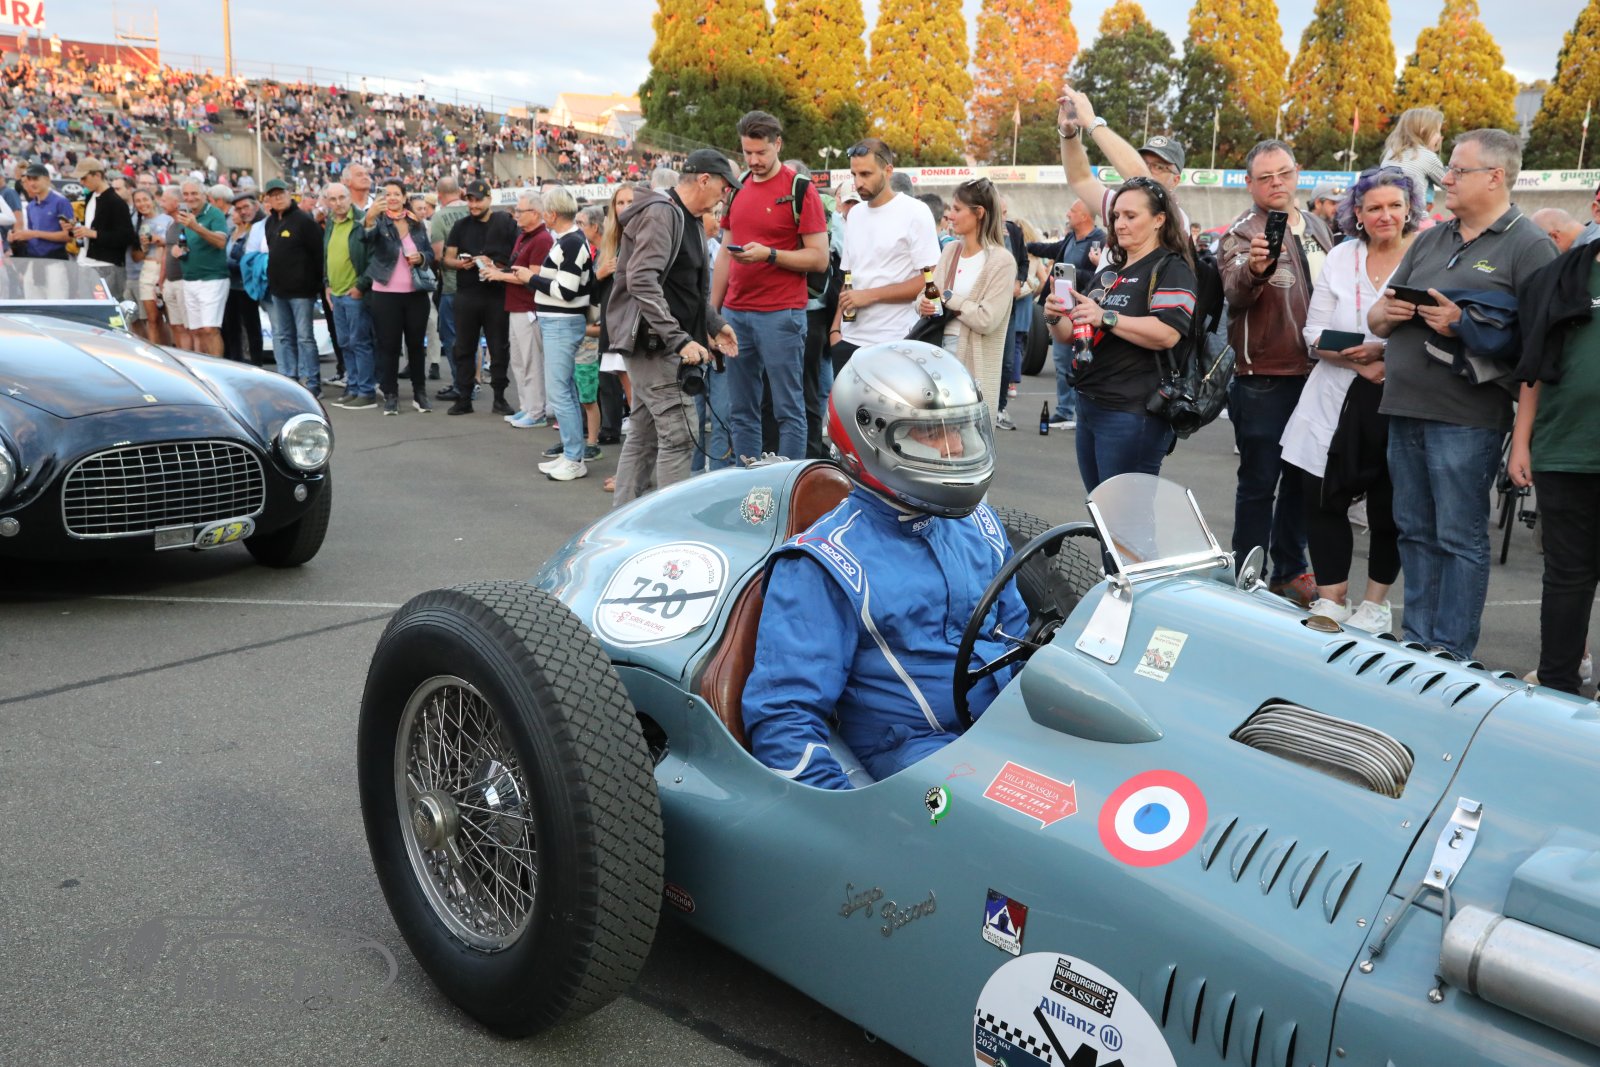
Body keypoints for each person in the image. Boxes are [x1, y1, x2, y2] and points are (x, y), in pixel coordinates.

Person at [741, 341, 1028, 789]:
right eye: (931, 435)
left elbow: (1018, 641)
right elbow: (785, 719)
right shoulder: (824, 565)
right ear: (871, 439)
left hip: (1005, 728)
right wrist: (845, 816)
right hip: (914, 758)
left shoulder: (981, 527)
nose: (955, 447)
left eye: (959, 429)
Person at [1369, 129, 1558, 659]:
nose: (1445, 178)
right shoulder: (1431, 239)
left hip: (1467, 419)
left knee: (1458, 538)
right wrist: (1389, 313)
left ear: (1495, 177)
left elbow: (1541, 350)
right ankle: (1416, 646)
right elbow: (1376, 318)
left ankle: (1450, 657)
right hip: (1405, 407)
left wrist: (1464, 325)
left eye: (1456, 169)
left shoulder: (1530, 246)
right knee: (1413, 532)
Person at [1281, 168, 1420, 635]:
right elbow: (1313, 332)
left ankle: (1375, 604)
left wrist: (1384, 355)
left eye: (1395, 206)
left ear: (1409, 210)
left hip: (1398, 399)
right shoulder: (1342, 256)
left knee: (1388, 507)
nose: (1385, 215)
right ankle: (1332, 597)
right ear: (1357, 213)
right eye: (1374, 207)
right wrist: (1361, 359)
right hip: (1333, 394)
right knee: (1322, 498)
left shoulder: (1423, 255)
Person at [1219, 140, 1335, 608]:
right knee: (1259, 484)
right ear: (1250, 184)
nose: (1276, 183)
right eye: (1265, 177)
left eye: (1283, 173)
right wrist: (1255, 269)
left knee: (1304, 482)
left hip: (1322, 373)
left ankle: (1290, 570)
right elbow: (1234, 292)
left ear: (1297, 172)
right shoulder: (1242, 234)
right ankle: (1246, 575)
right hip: (1264, 375)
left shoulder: (1320, 228)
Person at [1043, 178, 1197, 492]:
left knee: (1126, 515)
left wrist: (1105, 317)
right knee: (1101, 508)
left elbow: (1167, 333)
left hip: (1132, 412)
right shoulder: (1111, 271)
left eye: (1131, 215)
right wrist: (1053, 315)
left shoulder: (1172, 268)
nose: (1120, 224)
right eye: (1116, 216)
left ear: (1159, 219)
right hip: (1090, 402)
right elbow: (1070, 335)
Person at [608, 151, 740, 504]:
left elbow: (687, 288)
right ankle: (668, 526)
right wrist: (680, 340)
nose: (724, 196)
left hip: (662, 342)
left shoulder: (687, 217)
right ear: (705, 180)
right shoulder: (663, 213)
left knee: (644, 433)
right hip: (657, 345)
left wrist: (714, 324)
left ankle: (623, 519)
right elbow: (641, 281)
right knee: (679, 435)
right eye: (724, 187)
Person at [1509, 233, 1600, 693]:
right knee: (1567, 576)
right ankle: (1558, 684)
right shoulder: (1562, 277)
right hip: (1566, 447)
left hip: (1569, 447)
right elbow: (1536, 365)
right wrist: (1521, 442)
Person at [712, 111, 830, 465]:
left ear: (778, 144)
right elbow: (724, 253)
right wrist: (712, 315)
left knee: (787, 408)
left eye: (760, 152)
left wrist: (770, 255)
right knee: (741, 409)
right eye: (747, 152)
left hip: (781, 313)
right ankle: (747, 483)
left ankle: (787, 486)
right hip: (736, 313)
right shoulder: (738, 187)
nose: (753, 160)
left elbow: (819, 258)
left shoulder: (800, 189)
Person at [504, 185, 596, 481]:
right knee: (563, 390)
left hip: (562, 322)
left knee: (560, 392)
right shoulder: (568, 241)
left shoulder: (571, 243)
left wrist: (530, 278)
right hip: (559, 322)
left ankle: (574, 457)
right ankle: (572, 454)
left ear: (553, 213)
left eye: (545, 210)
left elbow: (566, 290)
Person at [828, 139, 942, 374]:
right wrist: (835, 330)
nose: (858, 183)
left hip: (896, 341)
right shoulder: (855, 215)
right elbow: (849, 278)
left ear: (888, 171)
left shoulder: (915, 212)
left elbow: (931, 279)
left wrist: (869, 296)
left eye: (866, 174)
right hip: (849, 341)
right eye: (854, 174)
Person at [915, 178, 1015, 420]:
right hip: (936, 354)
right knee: (934, 433)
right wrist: (923, 304)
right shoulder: (951, 251)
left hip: (972, 362)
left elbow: (986, 319)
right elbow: (927, 293)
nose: (950, 215)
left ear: (979, 213)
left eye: (957, 209)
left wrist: (949, 298)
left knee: (967, 434)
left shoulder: (1001, 261)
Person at [1056, 86, 1189, 234]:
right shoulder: (1122, 206)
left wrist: (1091, 121)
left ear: (1175, 180)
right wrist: (1068, 133)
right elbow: (1080, 180)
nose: (1148, 170)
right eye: (1144, 163)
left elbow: (1144, 182)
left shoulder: (1176, 218)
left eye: (1159, 167)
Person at [359, 179, 436, 415]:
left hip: (416, 294)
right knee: (388, 346)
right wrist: (370, 217)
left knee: (416, 345)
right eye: (387, 194)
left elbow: (430, 253)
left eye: (396, 194)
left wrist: (421, 257)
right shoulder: (377, 220)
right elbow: (364, 239)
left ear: (404, 198)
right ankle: (390, 394)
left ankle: (419, 394)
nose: (392, 198)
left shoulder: (416, 222)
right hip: (385, 294)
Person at [1028, 199, 1105, 431]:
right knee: (1061, 361)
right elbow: (1049, 250)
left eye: (1072, 210)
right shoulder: (1071, 238)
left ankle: (1082, 415)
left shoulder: (1101, 242)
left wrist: (1072, 275)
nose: (1067, 214)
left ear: (1085, 216)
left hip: (1086, 312)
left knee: (1084, 363)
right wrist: (1027, 244)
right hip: (1063, 310)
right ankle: (1064, 411)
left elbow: (1102, 277)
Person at [442, 178, 516, 414]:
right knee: (463, 347)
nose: (473, 205)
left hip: (496, 294)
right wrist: (460, 264)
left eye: (477, 200)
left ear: (489, 199)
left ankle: (500, 397)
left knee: (499, 347)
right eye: (470, 200)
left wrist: (495, 264)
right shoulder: (461, 225)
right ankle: (464, 397)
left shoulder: (505, 223)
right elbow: (447, 259)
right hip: (467, 294)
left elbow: (517, 256)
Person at [260, 178, 326, 392]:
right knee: (283, 336)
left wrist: (316, 284)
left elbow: (319, 254)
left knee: (305, 338)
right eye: (273, 195)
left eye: (281, 193)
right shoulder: (270, 223)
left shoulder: (304, 221)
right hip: (278, 291)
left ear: (290, 194)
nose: (278, 198)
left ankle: (312, 382)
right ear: (268, 199)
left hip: (302, 292)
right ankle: (289, 380)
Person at [494, 191, 552, 428]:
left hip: (528, 307)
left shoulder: (542, 239)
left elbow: (533, 276)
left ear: (535, 213)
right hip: (516, 306)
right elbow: (517, 269)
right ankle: (527, 407)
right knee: (519, 362)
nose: (516, 214)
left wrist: (499, 275)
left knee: (531, 362)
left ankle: (536, 411)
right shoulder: (524, 236)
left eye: (520, 210)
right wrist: (497, 270)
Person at [322, 182, 374, 407]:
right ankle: (353, 387)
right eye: (332, 199)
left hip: (355, 294)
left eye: (342, 197)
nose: (338, 203)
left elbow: (373, 258)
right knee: (344, 343)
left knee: (360, 343)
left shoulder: (363, 221)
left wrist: (361, 286)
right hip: (336, 294)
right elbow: (327, 255)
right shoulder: (330, 223)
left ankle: (366, 391)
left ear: (349, 197)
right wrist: (327, 284)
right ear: (327, 202)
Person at [174, 178, 231, 358]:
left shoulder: (215, 214)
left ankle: (218, 368)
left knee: (210, 329)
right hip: (190, 278)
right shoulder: (185, 216)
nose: (190, 198)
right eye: (186, 194)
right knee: (197, 330)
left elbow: (221, 242)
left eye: (194, 193)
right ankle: (206, 367)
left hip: (212, 278)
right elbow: (185, 243)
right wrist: (179, 249)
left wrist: (195, 226)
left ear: (204, 195)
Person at [71, 158, 136, 298]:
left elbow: (127, 236)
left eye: (84, 178)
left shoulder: (116, 202)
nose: (81, 182)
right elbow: (92, 227)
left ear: (97, 175)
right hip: (86, 262)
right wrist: (76, 228)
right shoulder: (91, 197)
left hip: (107, 265)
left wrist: (94, 234)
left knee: (106, 308)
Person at [430, 177, 469, 396]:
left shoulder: (439, 217)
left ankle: (460, 384)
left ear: (439, 195)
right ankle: (473, 381)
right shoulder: (473, 210)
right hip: (477, 283)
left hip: (452, 285)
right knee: (471, 338)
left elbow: (437, 255)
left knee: (452, 337)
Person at [222, 192, 266, 363]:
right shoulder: (231, 232)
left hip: (246, 284)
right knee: (231, 326)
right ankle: (235, 361)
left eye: (244, 208)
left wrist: (231, 264)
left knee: (251, 325)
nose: (240, 212)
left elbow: (247, 258)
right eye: (237, 209)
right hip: (230, 285)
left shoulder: (254, 230)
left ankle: (256, 362)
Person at [1381, 108, 1447, 212]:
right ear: (1423, 131)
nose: (1439, 137)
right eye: (1437, 132)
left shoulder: (1391, 153)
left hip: (1390, 212)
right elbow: (1447, 183)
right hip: (1416, 216)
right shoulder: (1428, 156)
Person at [130, 188, 172, 345]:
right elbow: (135, 257)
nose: (142, 204)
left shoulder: (167, 220)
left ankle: (174, 351)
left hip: (165, 269)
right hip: (147, 269)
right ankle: (155, 351)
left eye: (145, 199)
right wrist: (144, 247)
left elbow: (177, 245)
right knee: (152, 319)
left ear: (153, 200)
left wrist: (161, 240)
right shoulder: (136, 224)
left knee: (172, 319)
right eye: (138, 201)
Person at [9, 163, 74, 259]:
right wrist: (18, 236)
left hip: (55, 259)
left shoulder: (61, 202)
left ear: (47, 179)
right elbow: (32, 235)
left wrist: (35, 234)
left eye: (35, 179)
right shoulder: (30, 206)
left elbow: (69, 236)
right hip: (33, 258)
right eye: (29, 179)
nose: (32, 183)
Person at [157, 187, 191, 351]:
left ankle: (192, 359)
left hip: (184, 280)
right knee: (176, 326)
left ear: (176, 203)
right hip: (170, 281)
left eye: (164, 200)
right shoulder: (171, 224)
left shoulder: (188, 223)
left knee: (189, 327)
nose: (161, 204)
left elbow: (190, 248)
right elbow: (166, 253)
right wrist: (161, 279)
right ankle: (182, 357)